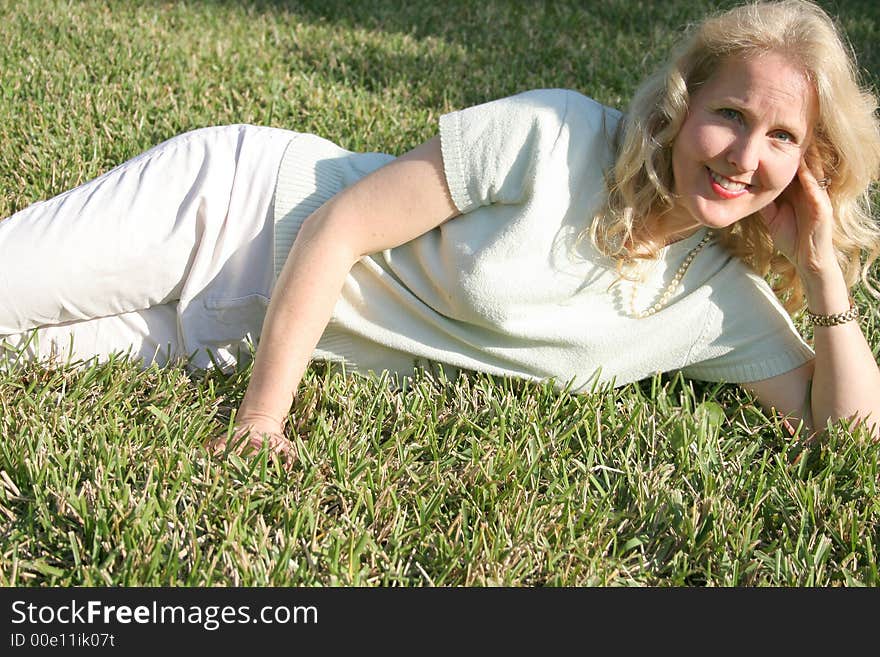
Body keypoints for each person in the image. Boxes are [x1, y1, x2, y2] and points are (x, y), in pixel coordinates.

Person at [1, 0, 879, 464]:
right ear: (684, 105)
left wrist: (822, 275)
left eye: (783, 138)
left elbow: (846, 431)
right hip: (232, 210)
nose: (743, 155)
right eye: (730, 114)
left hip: (222, 337)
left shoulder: (717, 299)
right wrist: (264, 421)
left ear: (811, 163)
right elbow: (339, 226)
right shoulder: (556, 133)